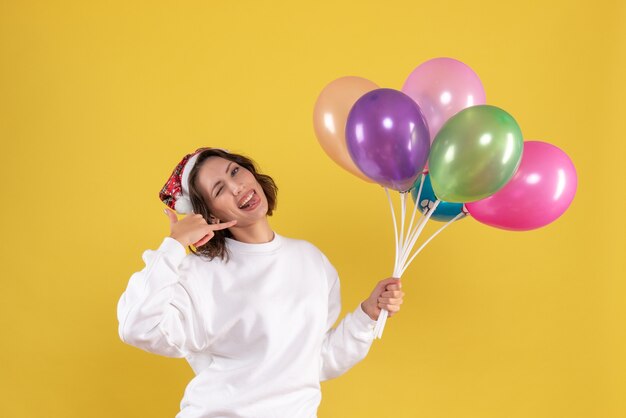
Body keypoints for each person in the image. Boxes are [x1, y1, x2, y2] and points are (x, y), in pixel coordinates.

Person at [116, 147, 404, 418]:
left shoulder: (310, 259)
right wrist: (174, 245)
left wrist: (367, 315)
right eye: (219, 190)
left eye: (235, 172)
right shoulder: (199, 274)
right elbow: (136, 326)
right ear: (210, 214)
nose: (236, 186)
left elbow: (313, 362)